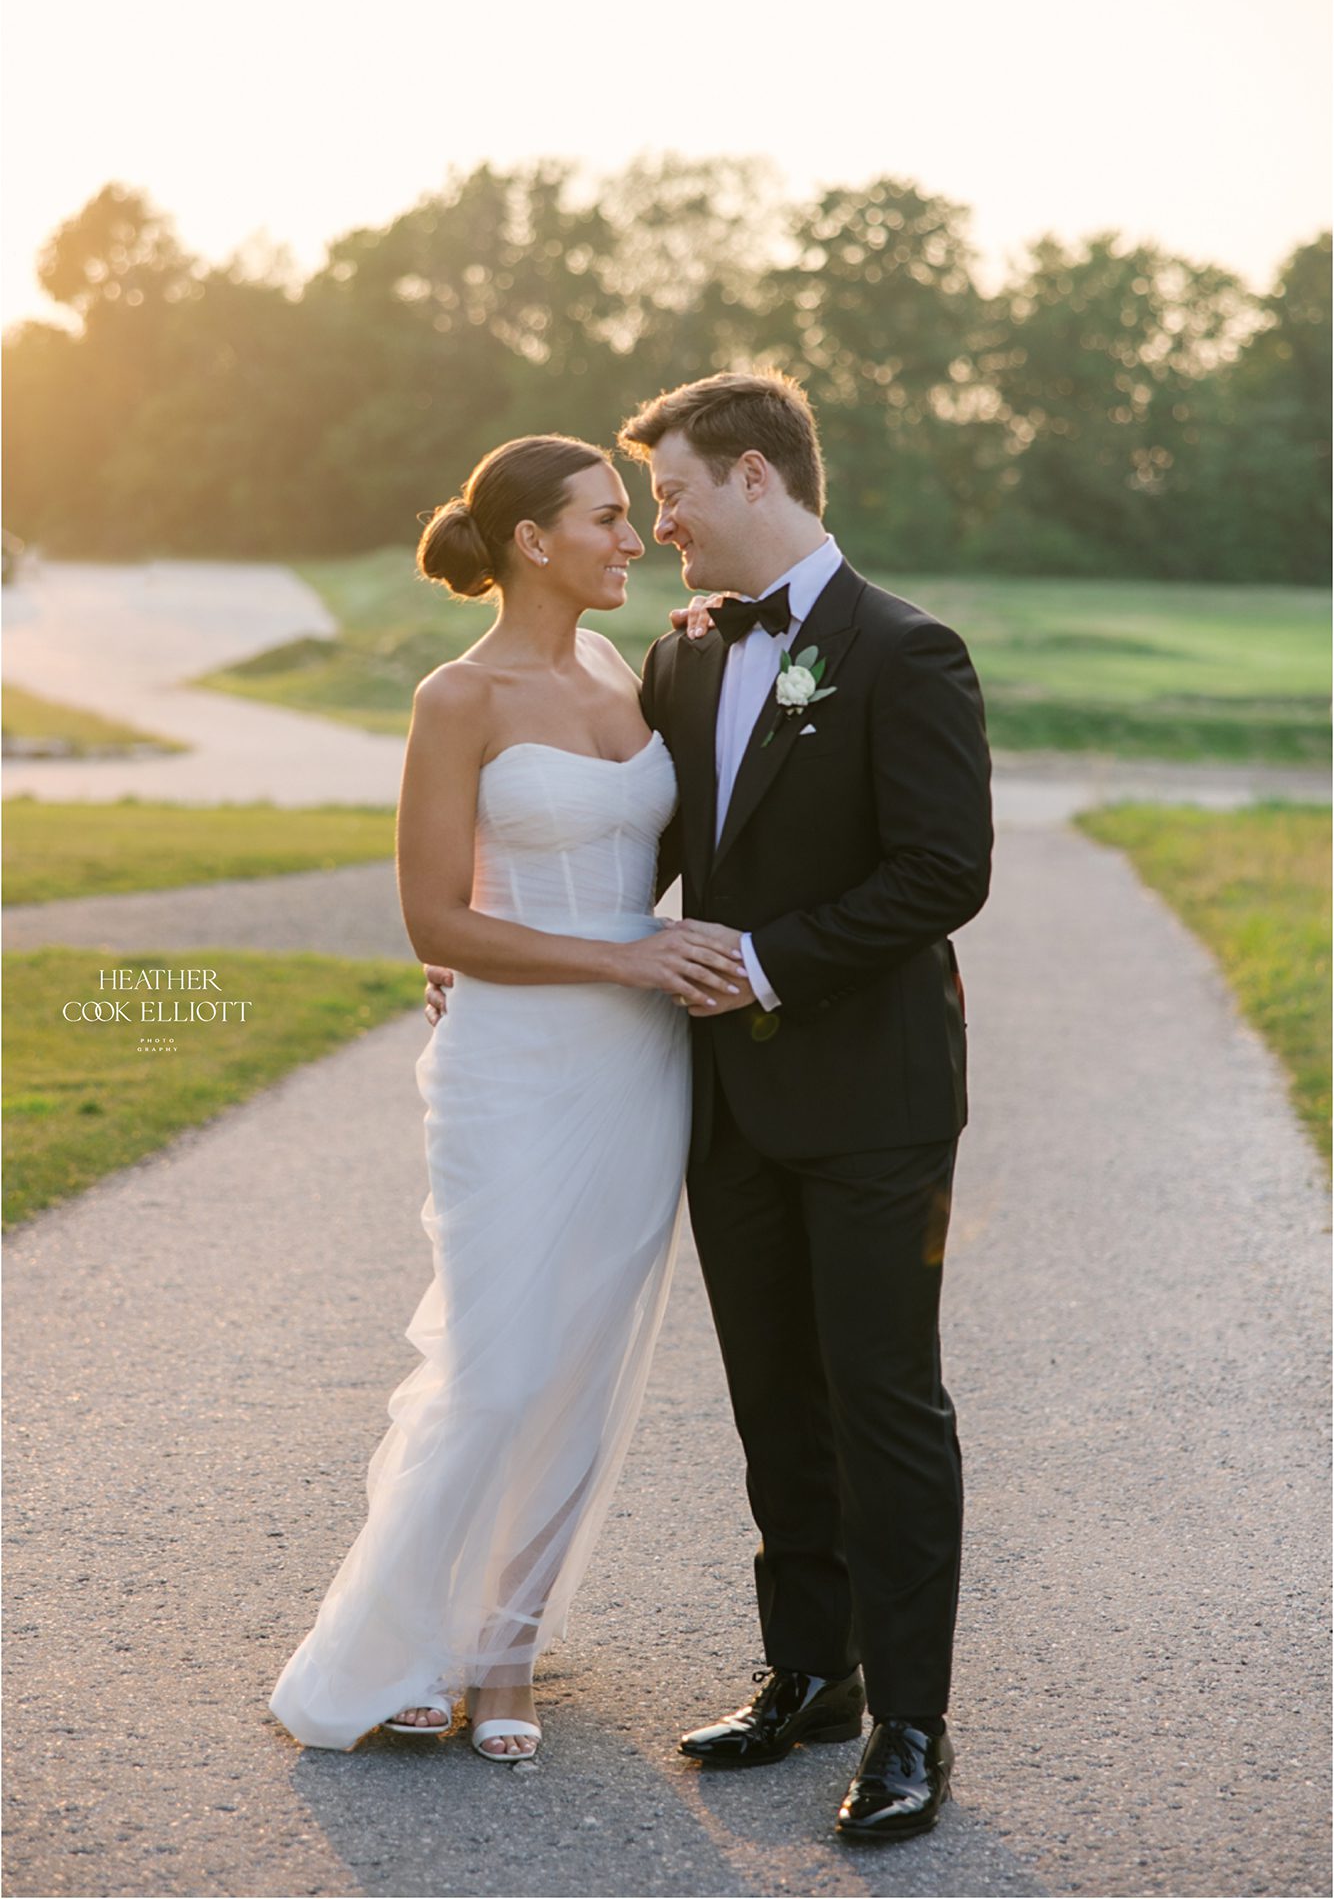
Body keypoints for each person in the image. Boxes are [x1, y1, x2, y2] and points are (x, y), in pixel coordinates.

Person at [428, 370, 993, 1840]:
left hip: (872, 1097)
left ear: (755, 477)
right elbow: (632, 857)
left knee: (881, 1397)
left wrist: (757, 965)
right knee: (772, 1400)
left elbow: (944, 876)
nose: (658, 524)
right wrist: (507, 967)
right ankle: (807, 1670)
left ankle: (912, 1725)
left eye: (671, 493)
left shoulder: (905, 650)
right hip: (723, 1101)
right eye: (642, 503)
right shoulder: (674, 660)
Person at [270, 435, 745, 1759]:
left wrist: (634, 958)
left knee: (583, 1365)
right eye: (606, 518)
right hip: (508, 1063)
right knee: (496, 1364)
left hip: (634, 1066)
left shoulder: (631, 669)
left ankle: (504, 1652)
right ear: (532, 540)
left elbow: (647, 850)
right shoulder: (456, 697)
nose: (631, 538)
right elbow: (432, 914)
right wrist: (615, 956)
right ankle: (402, 1644)